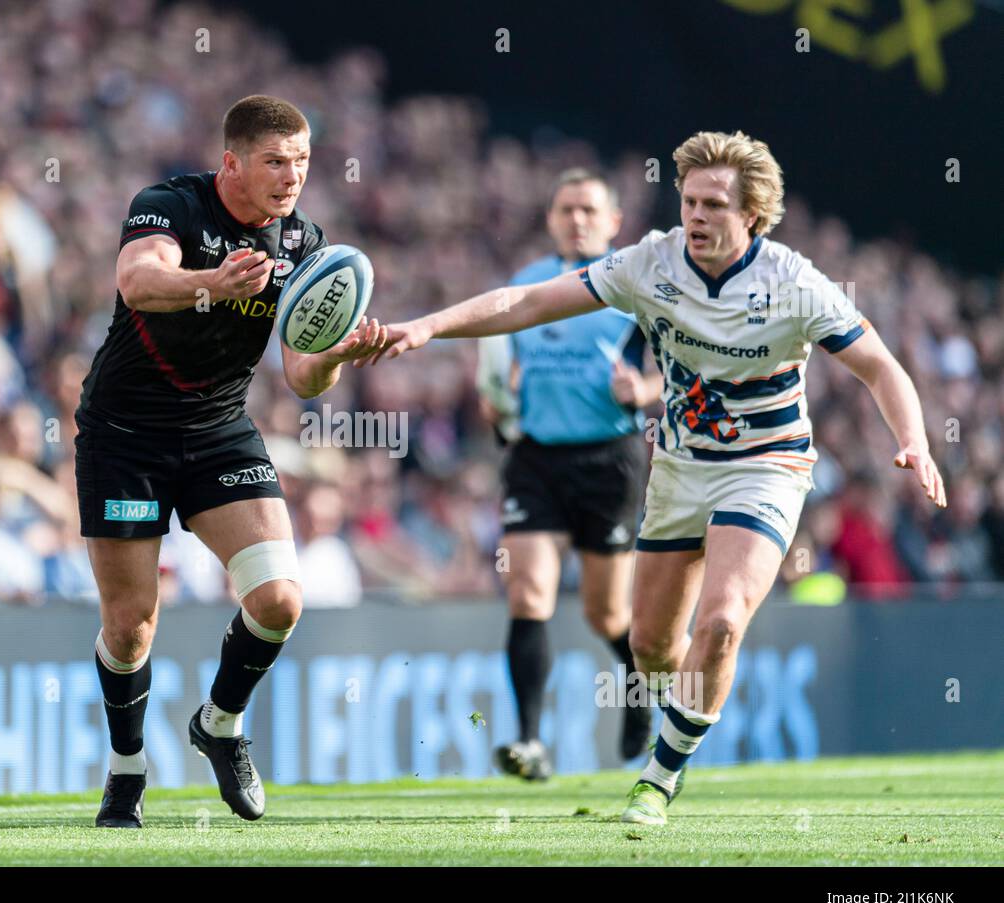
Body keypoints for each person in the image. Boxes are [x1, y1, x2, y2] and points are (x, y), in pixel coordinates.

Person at [376, 131, 946, 824]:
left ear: (753, 216)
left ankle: (658, 777)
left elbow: (881, 366)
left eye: (714, 205)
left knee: (724, 621)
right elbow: (525, 302)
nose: (696, 216)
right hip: (678, 471)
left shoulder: (794, 284)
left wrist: (913, 439)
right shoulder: (652, 263)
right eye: (688, 202)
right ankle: (682, 707)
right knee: (649, 645)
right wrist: (428, 327)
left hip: (766, 467)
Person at [77, 95, 386, 828]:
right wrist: (211, 284)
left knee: (279, 600)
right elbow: (137, 282)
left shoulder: (304, 244)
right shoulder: (169, 205)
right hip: (125, 436)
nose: (292, 177)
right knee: (130, 624)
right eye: (276, 162)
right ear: (232, 163)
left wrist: (341, 352)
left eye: (302, 162)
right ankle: (127, 771)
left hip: (217, 431)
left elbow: (304, 376)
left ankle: (219, 723)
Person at [477, 169, 664, 779]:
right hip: (534, 457)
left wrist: (644, 390)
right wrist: (497, 398)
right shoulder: (528, 285)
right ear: (551, 218)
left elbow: (677, 366)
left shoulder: (635, 285)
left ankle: (638, 691)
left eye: (589, 209)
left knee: (605, 616)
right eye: (565, 208)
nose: (576, 218)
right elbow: (498, 365)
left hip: (608, 460)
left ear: (613, 222)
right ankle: (530, 743)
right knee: (528, 594)